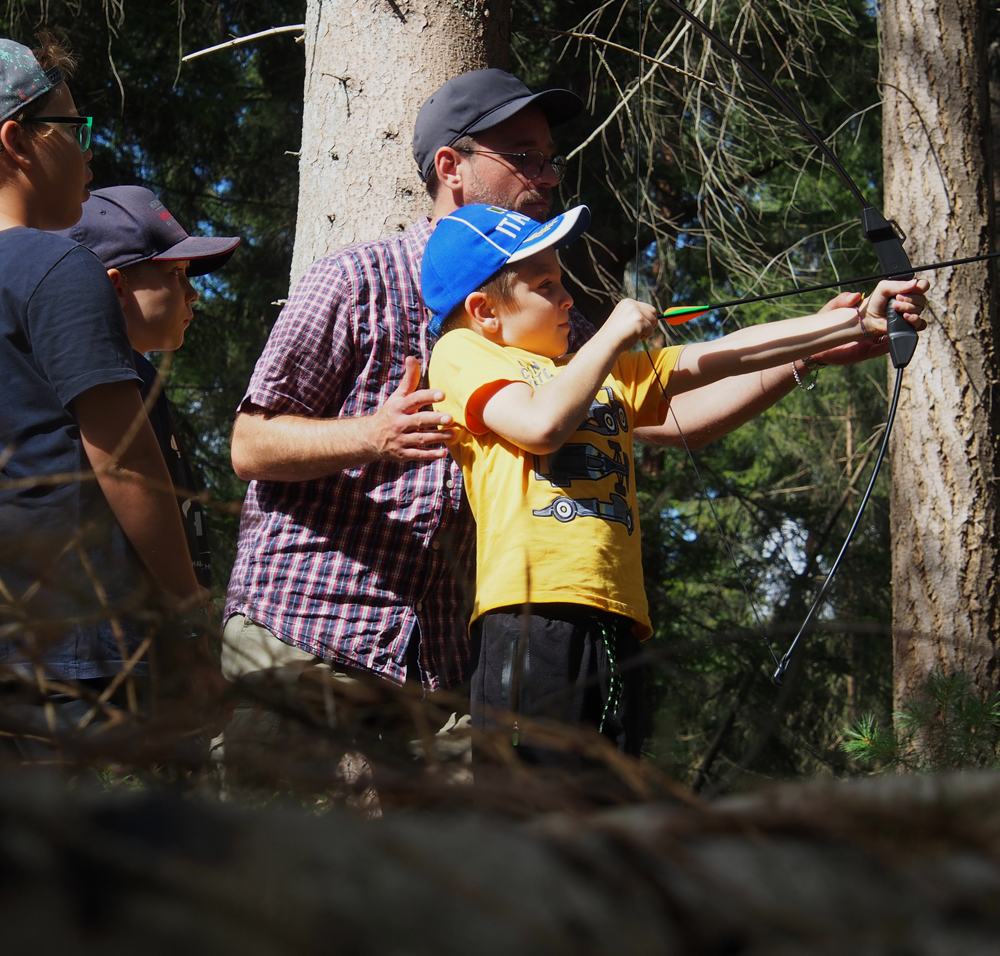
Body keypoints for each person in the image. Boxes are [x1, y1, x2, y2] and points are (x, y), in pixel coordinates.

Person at [223, 67, 905, 697]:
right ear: (450, 167)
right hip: (307, 634)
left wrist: (811, 348)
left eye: (549, 160)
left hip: (446, 669)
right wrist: (374, 435)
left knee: (518, 822)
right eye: (522, 157)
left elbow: (670, 412)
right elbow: (250, 444)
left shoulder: (558, 327)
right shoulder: (355, 279)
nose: (546, 177)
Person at [423, 203, 929, 759]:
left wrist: (853, 322)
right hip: (532, 615)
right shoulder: (462, 351)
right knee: (533, 807)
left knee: (611, 806)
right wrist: (611, 336)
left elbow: (725, 355)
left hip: (617, 617)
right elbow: (540, 425)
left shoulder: (595, 371)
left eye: (563, 281)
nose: (567, 298)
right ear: (484, 311)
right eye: (546, 285)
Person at [0, 38, 209, 756]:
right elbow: (122, 458)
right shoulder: (57, 265)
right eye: (75, 128)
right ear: (17, 140)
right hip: (76, 643)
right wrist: (187, 608)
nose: (92, 151)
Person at [59, 185, 241, 594]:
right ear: (116, 286)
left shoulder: (137, 374)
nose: (194, 293)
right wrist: (187, 610)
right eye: (176, 274)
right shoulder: (118, 380)